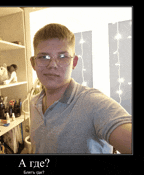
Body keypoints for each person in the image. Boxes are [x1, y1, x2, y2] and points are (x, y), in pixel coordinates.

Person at [30, 23, 132, 154]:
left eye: (62, 56)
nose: (52, 65)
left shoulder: (93, 103)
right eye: (44, 57)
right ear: (33, 63)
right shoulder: (34, 103)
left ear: (74, 62)